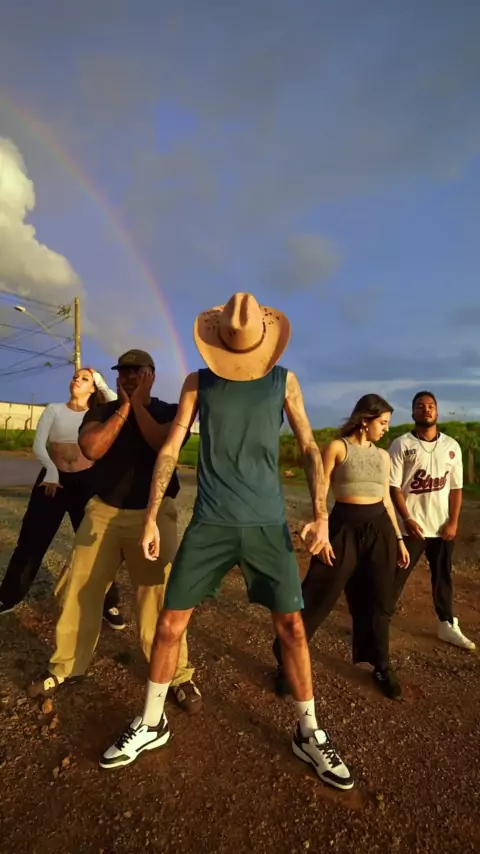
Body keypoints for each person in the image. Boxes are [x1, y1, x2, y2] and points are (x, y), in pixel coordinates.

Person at [101, 294, 354, 792]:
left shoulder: (283, 381)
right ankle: (151, 721)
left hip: (267, 524)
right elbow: (170, 448)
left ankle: (309, 732)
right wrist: (150, 517)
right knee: (170, 623)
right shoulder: (199, 382)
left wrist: (322, 516)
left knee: (293, 629)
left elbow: (308, 447)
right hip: (210, 523)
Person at [26, 349, 201, 713]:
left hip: (153, 514)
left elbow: (161, 443)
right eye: (124, 371)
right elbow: (92, 448)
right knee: (80, 590)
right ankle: (65, 666)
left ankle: (177, 675)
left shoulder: (169, 411)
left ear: (152, 375)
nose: (130, 376)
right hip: (103, 512)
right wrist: (123, 407)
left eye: (138, 371)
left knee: (158, 596)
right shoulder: (102, 411)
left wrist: (138, 405)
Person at [272, 394, 410, 702]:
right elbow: (320, 490)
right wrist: (318, 526)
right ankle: (286, 661)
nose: (386, 429)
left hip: (380, 530)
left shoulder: (383, 456)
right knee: (318, 593)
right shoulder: (338, 448)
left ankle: (381, 665)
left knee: (378, 599)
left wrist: (399, 539)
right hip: (343, 526)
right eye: (383, 422)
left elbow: (386, 500)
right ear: (365, 420)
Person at [0, 368, 125, 630]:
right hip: (52, 481)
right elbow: (39, 445)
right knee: (31, 541)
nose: (76, 379)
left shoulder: (99, 414)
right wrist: (52, 471)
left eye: (84, 378)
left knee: (97, 548)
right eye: (75, 376)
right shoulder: (54, 409)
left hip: (87, 483)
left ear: (94, 387)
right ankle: (8, 596)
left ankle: (108, 602)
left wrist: (99, 379)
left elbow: (118, 403)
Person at [389, 391, 475, 650]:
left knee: (443, 577)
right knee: (395, 576)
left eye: (430, 406)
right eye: (420, 406)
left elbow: (456, 488)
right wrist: (406, 518)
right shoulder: (401, 444)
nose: (426, 409)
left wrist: (453, 522)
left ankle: (446, 623)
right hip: (411, 528)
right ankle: (377, 620)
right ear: (413, 412)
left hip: (441, 528)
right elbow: (393, 487)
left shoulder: (451, 446)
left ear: (436, 411)